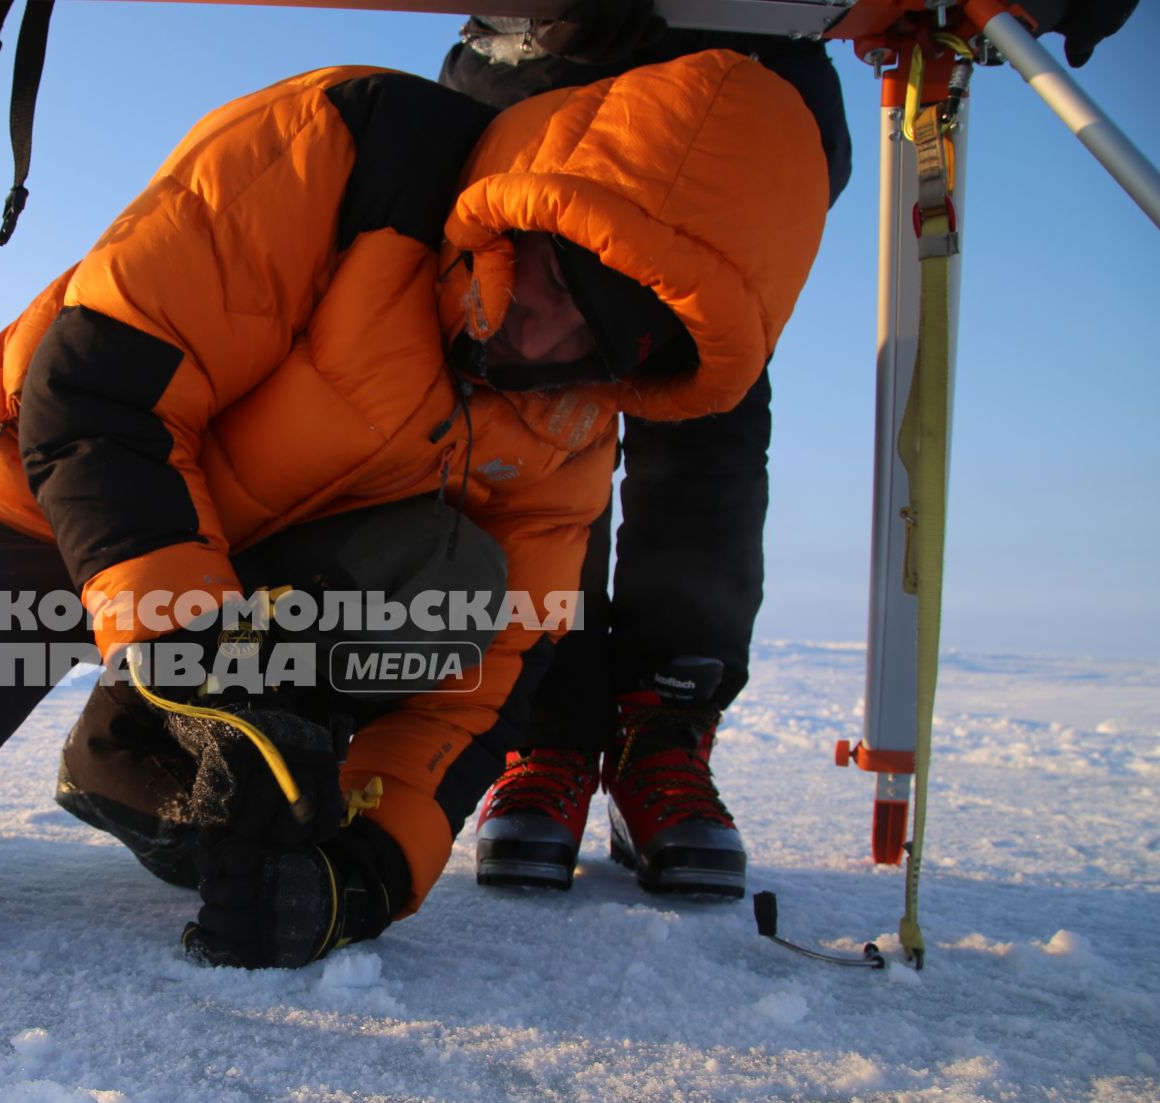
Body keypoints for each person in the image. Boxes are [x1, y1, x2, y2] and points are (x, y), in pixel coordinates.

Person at [0, 52, 828, 968]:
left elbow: (484, 682)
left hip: (231, 572)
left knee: (443, 609)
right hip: (34, 500)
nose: (545, 334)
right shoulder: (349, 149)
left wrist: (359, 880)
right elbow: (95, 387)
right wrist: (195, 645)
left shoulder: (572, 417)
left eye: (601, 339)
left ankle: (135, 752)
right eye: (559, 274)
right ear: (536, 203)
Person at [454, 0, 1137, 900]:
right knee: (531, 425)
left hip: (750, 94)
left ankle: (664, 726)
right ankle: (546, 729)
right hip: (543, 75)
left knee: (706, 410)